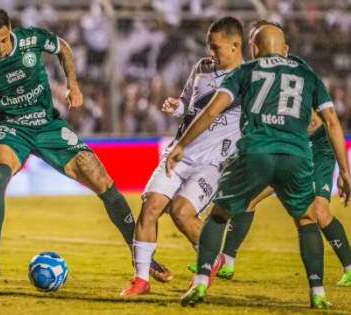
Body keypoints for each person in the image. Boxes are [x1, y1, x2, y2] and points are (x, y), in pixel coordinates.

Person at [0, 7, 168, 283]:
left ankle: (142, 257)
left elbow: (64, 48)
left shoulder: (31, 40)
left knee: (103, 181)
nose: (0, 48)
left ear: (10, 30)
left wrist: (73, 85)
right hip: (9, 128)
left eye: (3, 40)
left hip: (48, 125)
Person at [166, 23, 351, 308]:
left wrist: (180, 145)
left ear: (255, 48)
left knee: (218, 215)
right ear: (284, 49)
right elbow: (332, 123)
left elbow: (211, 111)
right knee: (306, 220)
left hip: (256, 154)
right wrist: (346, 171)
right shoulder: (307, 75)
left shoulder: (245, 71)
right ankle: (318, 293)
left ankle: (202, 282)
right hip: (296, 156)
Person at [213, 22, 351, 287]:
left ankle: (349, 264)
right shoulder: (258, 72)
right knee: (250, 198)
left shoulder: (297, 70)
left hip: (315, 148)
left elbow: (318, 122)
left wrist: (344, 172)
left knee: (319, 212)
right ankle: (227, 261)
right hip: (287, 148)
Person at [120, 16, 244, 297]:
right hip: (179, 154)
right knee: (150, 207)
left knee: (181, 212)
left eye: (217, 47)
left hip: (211, 164)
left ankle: (210, 262)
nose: (211, 53)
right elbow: (189, 103)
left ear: (236, 45)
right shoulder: (202, 67)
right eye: (209, 46)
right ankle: (140, 279)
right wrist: (178, 106)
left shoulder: (247, 80)